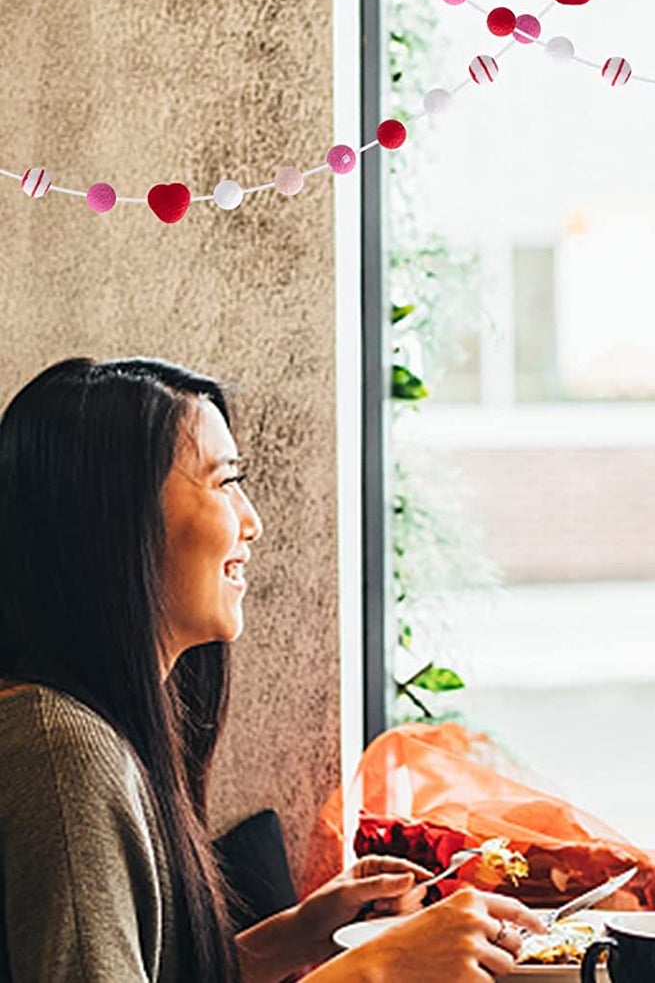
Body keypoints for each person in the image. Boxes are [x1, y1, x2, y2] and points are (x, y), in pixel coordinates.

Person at [0, 356, 542, 983]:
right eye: (224, 482)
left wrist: (298, 936)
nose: (252, 521)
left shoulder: (87, 730)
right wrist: (378, 970)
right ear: (117, 519)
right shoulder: (59, 747)